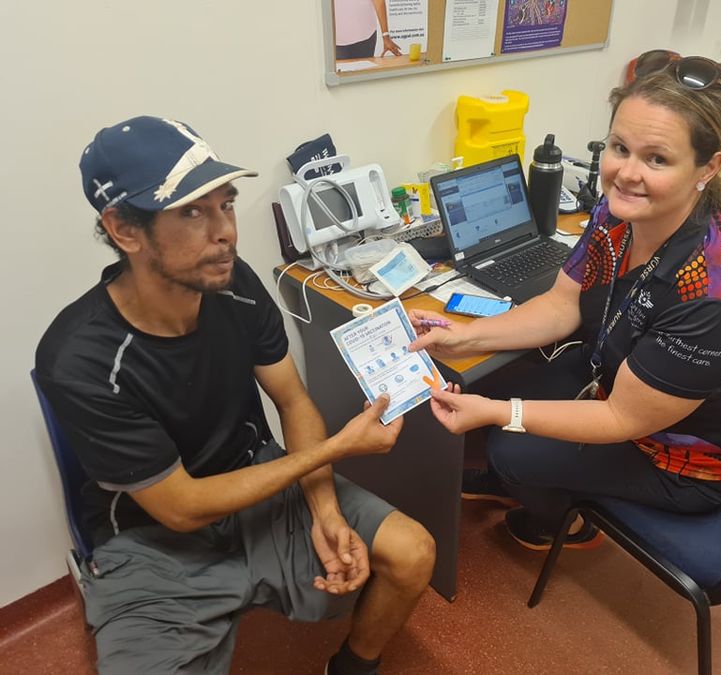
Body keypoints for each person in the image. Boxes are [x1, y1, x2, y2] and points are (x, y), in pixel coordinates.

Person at [35, 116, 435, 674]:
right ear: (125, 230)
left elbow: (292, 400)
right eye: (193, 212)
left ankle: (352, 667)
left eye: (226, 203)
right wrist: (336, 450)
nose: (226, 230)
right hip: (153, 542)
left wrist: (323, 509)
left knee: (413, 553)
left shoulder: (233, 283)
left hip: (260, 480)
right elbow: (181, 508)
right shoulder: (79, 359)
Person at [408, 57, 721, 550]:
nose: (626, 173)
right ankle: (522, 474)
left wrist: (498, 413)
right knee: (513, 380)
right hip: (621, 378)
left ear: (708, 168)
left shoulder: (712, 289)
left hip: (683, 461)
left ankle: (559, 520)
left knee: (512, 447)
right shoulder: (617, 211)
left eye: (657, 159)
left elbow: (624, 419)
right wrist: (461, 337)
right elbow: (562, 305)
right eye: (620, 148)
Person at [334, 0, 401, 60]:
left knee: (363, 72)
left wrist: (385, 36)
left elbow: (379, 2)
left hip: (365, 37)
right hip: (335, 41)